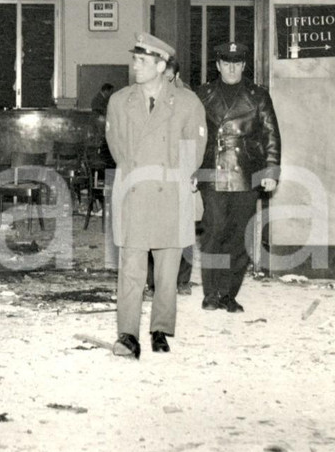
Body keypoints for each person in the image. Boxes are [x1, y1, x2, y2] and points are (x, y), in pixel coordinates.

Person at [106, 33, 207, 360]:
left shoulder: (188, 103)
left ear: (162, 66)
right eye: (134, 59)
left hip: (171, 191)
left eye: (143, 61)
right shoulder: (120, 101)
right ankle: (128, 335)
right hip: (135, 190)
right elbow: (117, 147)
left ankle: (160, 328)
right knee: (131, 267)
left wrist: (181, 177)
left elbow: (194, 149)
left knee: (167, 269)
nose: (135, 66)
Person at [195, 42, 281, 313]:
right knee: (214, 232)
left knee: (239, 237)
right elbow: (192, 135)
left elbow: (271, 135)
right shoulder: (203, 95)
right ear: (218, 65)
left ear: (244, 66)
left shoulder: (258, 96)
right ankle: (211, 293)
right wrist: (190, 169)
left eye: (237, 63)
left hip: (246, 173)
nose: (231, 68)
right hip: (213, 171)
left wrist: (270, 171)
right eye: (226, 62)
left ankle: (229, 294)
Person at [146, 56, 196, 295]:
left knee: (182, 226)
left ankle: (182, 280)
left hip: (179, 169)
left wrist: (190, 171)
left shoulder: (187, 99)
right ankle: (154, 283)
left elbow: (194, 138)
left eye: (168, 79)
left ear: (176, 77)